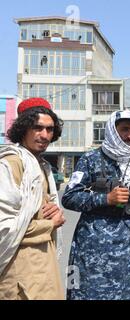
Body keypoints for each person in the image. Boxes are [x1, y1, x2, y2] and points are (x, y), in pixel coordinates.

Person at [62, 110, 130, 300]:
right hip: (94, 253)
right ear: (112, 130)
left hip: (129, 254)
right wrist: (105, 199)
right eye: (124, 129)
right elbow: (69, 197)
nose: (129, 135)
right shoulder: (90, 159)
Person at [0, 97, 65, 300]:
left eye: (50, 129)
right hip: (20, 273)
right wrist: (50, 224)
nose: (44, 135)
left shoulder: (41, 166)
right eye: (38, 127)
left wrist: (54, 212)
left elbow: (37, 211)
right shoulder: (12, 164)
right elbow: (5, 227)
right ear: (23, 129)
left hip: (44, 268)